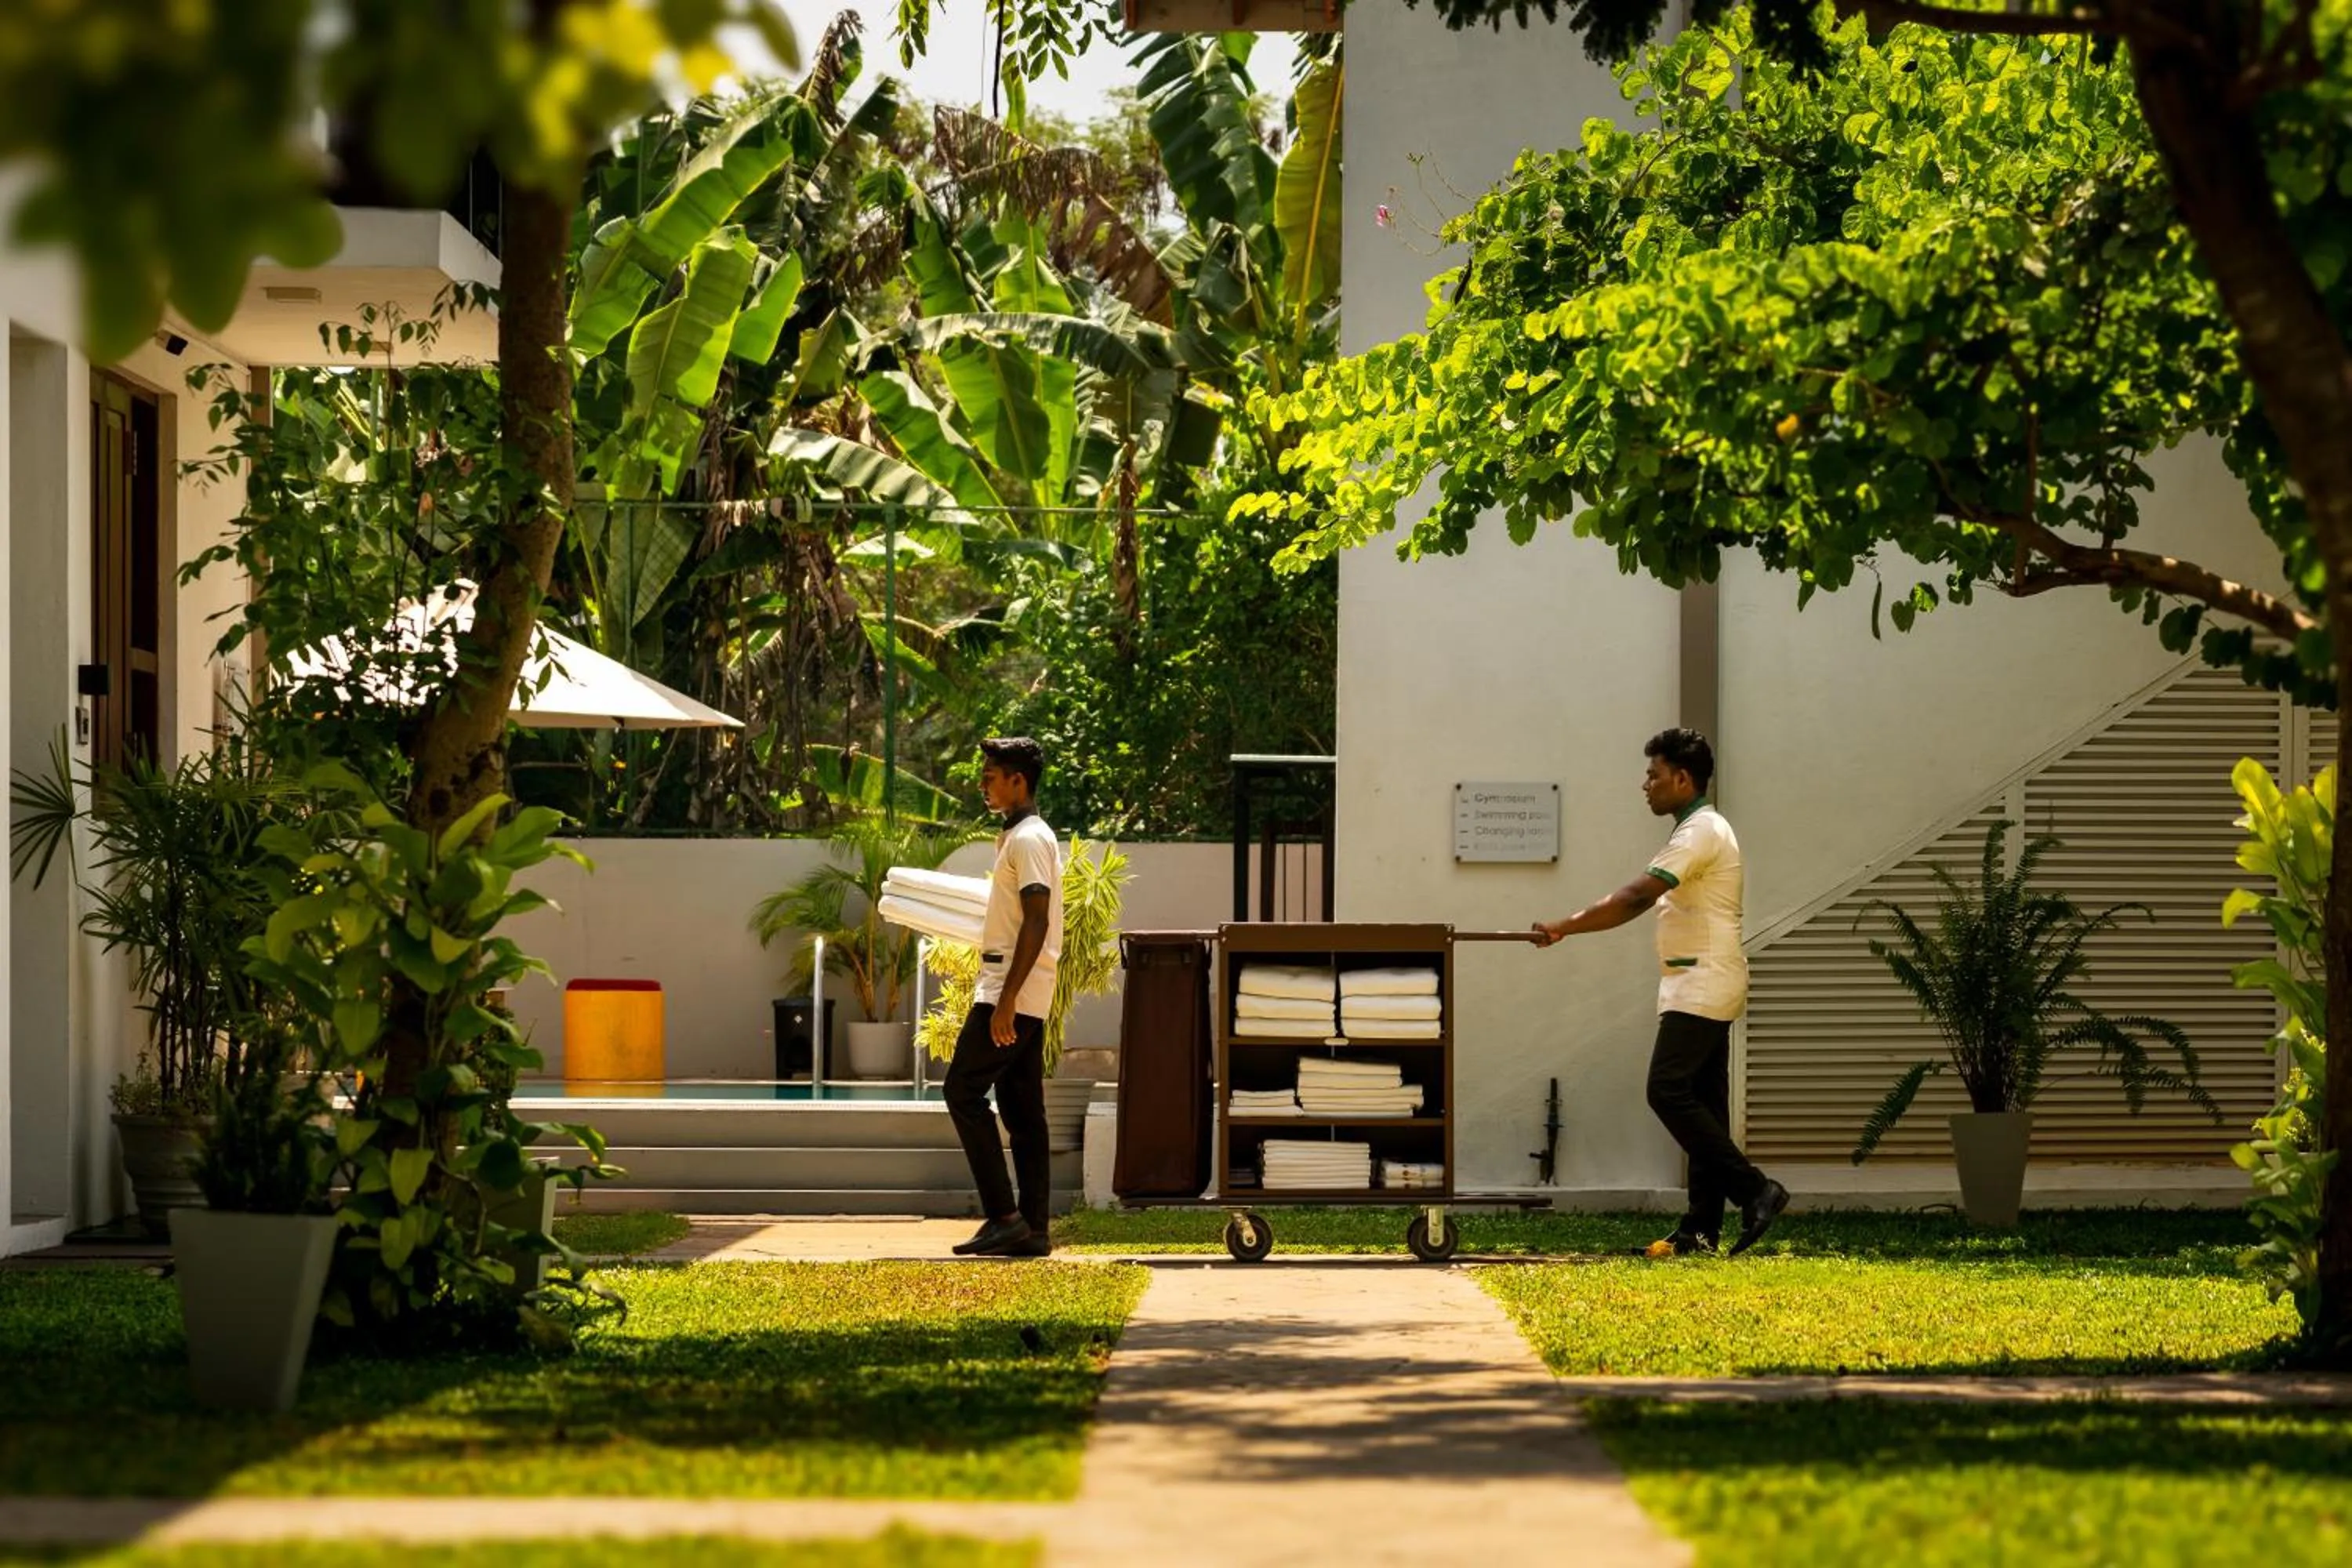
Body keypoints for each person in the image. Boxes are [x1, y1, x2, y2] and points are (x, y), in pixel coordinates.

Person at [1531, 728, 1789, 1258]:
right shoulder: (1696, 830)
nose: (1644, 784)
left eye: (1654, 774)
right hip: (1699, 980)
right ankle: (1700, 1230)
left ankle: (1755, 1190)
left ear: (1682, 778)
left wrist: (1564, 926)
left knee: (1666, 1090)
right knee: (1704, 1106)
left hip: (1704, 982)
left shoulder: (1701, 831)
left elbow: (1635, 898)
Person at [946, 737, 1065, 1259]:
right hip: (1021, 987)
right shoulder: (1019, 836)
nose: (983, 785)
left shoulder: (1029, 840)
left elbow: (1037, 921)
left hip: (1011, 987)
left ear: (1019, 781)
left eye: (991, 776)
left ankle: (1004, 1216)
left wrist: (1007, 999)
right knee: (1022, 1110)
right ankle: (1033, 1230)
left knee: (961, 1091)